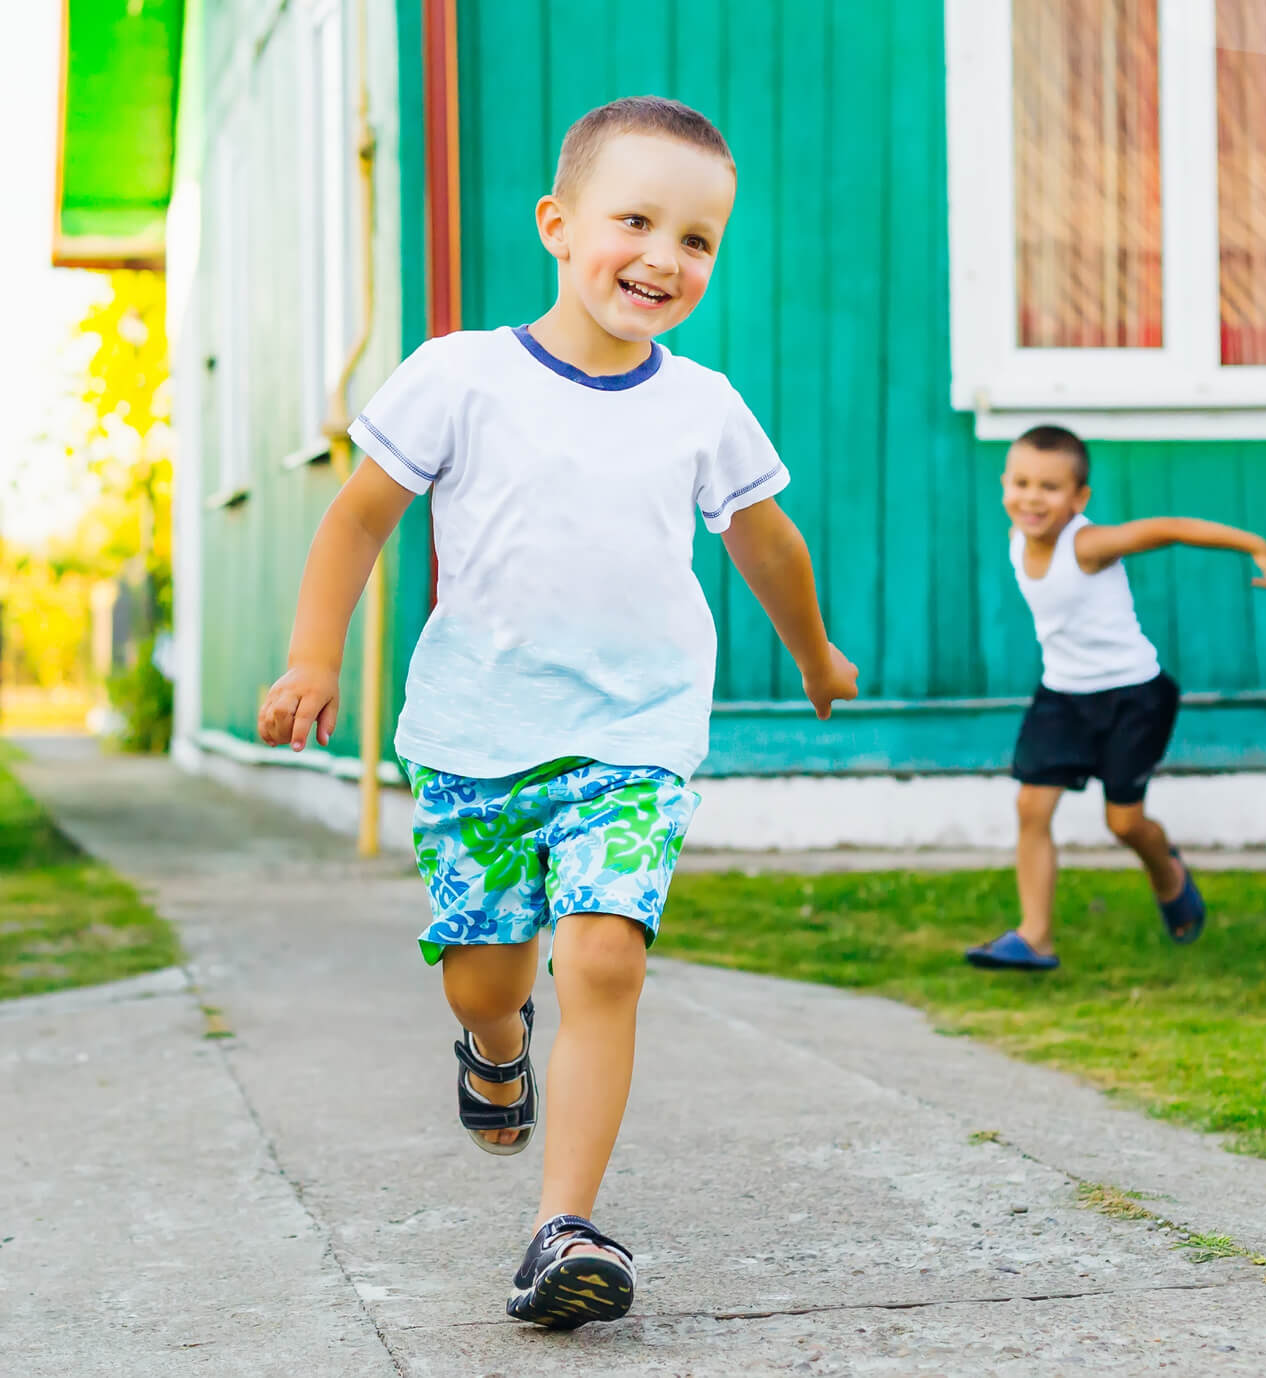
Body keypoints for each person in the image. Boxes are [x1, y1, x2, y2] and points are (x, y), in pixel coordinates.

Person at [257, 95, 858, 1328]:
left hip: (635, 735)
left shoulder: (701, 403)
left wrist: (813, 650)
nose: (662, 257)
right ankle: (491, 1048)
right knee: (487, 974)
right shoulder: (459, 375)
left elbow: (764, 538)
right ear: (558, 223)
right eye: (634, 221)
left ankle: (561, 1227)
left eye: (697, 239)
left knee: (603, 953)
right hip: (477, 737)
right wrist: (313, 654)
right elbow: (360, 516)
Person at [965, 425, 1266, 972]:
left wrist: (1252, 544)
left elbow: (1169, 529)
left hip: (1133, 697)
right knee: (1031, 807)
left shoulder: (1086, 544)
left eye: (1051, 487)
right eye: (1021, 483)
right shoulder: (1018, 535)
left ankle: (1168, 873)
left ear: (1079, 499)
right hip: (1063, 695)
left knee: (1125, 823)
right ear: (1004, 485)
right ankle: (1034, 936)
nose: (1033, 498)